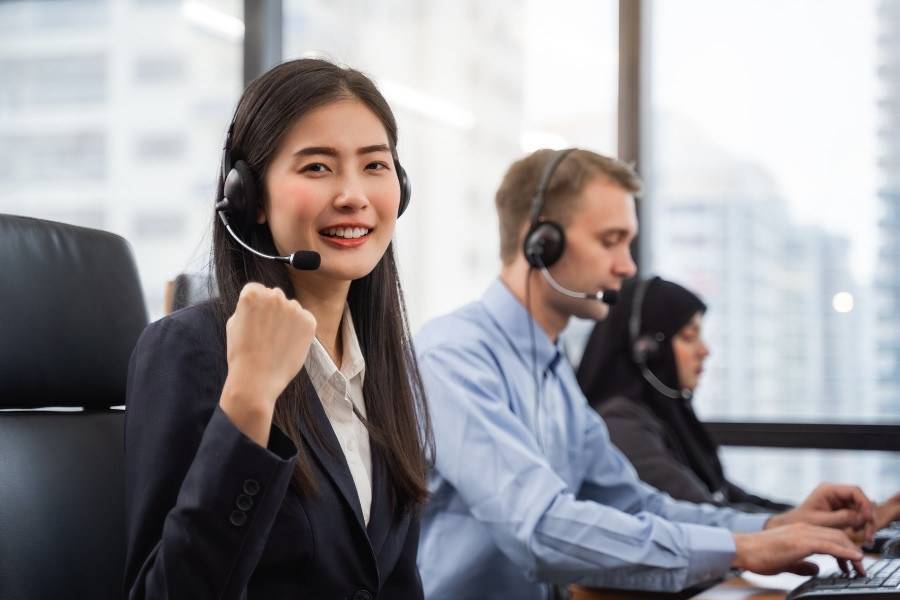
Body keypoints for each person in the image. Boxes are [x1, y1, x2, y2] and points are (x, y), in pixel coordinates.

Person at [414, 147, 875, 600]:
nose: (627, 266)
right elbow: (540, 528)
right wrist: (744, 549)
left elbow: (637, 504)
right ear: (541, 243)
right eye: (609, 240)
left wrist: (777, 527)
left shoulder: (554, 377)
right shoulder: (454, 357)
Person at [124, 58, 432, 599]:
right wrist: (250, 397)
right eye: (317, 167)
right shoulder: (190, 350)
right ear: (251, 197)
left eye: (375, 166)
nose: (353, 195)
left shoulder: (382, 365)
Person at [577, 275, 900, 527]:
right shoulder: (620, 425)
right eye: (689, 336)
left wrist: (824, 518)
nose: (705, 350)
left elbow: (728, 495)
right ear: (647, 350)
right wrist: (812, 526)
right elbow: (699, 513)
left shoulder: (668, 418)